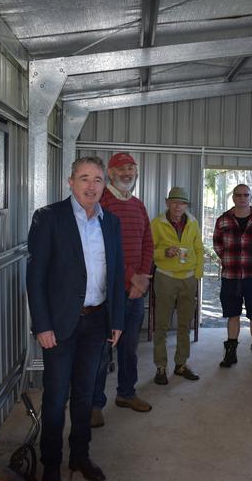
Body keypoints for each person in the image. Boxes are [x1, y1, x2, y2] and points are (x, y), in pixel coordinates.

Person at [27, 156, 125, 481]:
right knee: (56, 397)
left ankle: (80, 456)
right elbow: (36, 276)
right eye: (84, 178)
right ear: (71, 182)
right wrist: (42, 325)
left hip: (97, 322)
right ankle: (51, 464)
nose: (91, 186)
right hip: (59, 325)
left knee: (85, 395)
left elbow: (116, 275)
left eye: (97, 179)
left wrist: (117, 319)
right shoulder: (48, 218)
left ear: (104, 185)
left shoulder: (110, 222)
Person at [91, 152, 153, 428]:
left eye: (131, 168)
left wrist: (144, 277)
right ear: (111, 173)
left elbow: (147, 244)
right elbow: (104, 249)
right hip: (109, 292)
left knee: (129, 348)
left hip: (135, 291)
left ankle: (126, 394)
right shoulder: (101, 203)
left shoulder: (138, 206)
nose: (128, 172)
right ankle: (94, 404)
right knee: (103, 350)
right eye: (122, 168)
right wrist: (132, 279)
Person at [213, 184, 252, 370]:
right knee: (233, 315)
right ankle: (230, 355)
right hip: (230, 276)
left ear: (250, 197)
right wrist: (227, 258)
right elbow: (217, 244)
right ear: (233, 197)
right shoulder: (223, 220)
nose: (242, 198)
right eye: (238, 195)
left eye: (245, 195)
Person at [150, 186, 203, 384]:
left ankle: (181, 364)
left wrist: (197, 274)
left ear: (186, 205)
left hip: (188, 279)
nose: (178, 206)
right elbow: (149, 250)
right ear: (167, 203)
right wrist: (164, 253)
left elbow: (198, 248)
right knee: (162, 325)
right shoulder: (157, 224)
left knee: (184, 325)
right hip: (165, 278)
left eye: (182, 203)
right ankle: (160, 367)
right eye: (174, 202)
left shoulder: (193, 222)